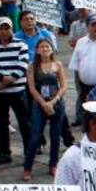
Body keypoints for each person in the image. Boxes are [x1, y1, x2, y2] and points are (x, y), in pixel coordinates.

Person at [0, 17, 31, 164]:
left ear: (11, 29)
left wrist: (8, 81)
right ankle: (4, 153)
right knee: (1, 124)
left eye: (7, 28)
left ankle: (30, 150)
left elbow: (23, 65)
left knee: (24, 123)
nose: (4, 31)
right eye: (1, 28)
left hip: (17, 90)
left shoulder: (21, 44)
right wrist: (3, 78)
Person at [22, 38, 67, 180]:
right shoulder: (32, 66)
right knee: (35, 138)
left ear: (52, 49)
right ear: (37, 50)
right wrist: (43, 104)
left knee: (55, 137)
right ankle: (27, 167)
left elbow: (64, 86)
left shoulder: (57, 64)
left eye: (47, 47)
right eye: (42, 47)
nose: (45, 49)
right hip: (39, 104)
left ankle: (53, 164)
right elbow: (32, 88)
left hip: (56, 103)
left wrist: (54, 101)